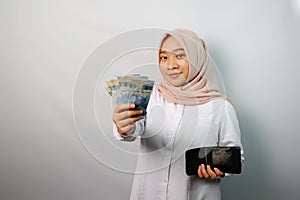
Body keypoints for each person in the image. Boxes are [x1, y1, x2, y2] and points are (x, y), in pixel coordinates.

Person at [112, 28, 244, 200]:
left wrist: (221, 170)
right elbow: (133, 129)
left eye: (180, 56)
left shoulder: (221, 107)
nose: (171, 65)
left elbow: (236, 157)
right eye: (164, 57)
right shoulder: (150, 96)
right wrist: (123, 127)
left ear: (198, 58)